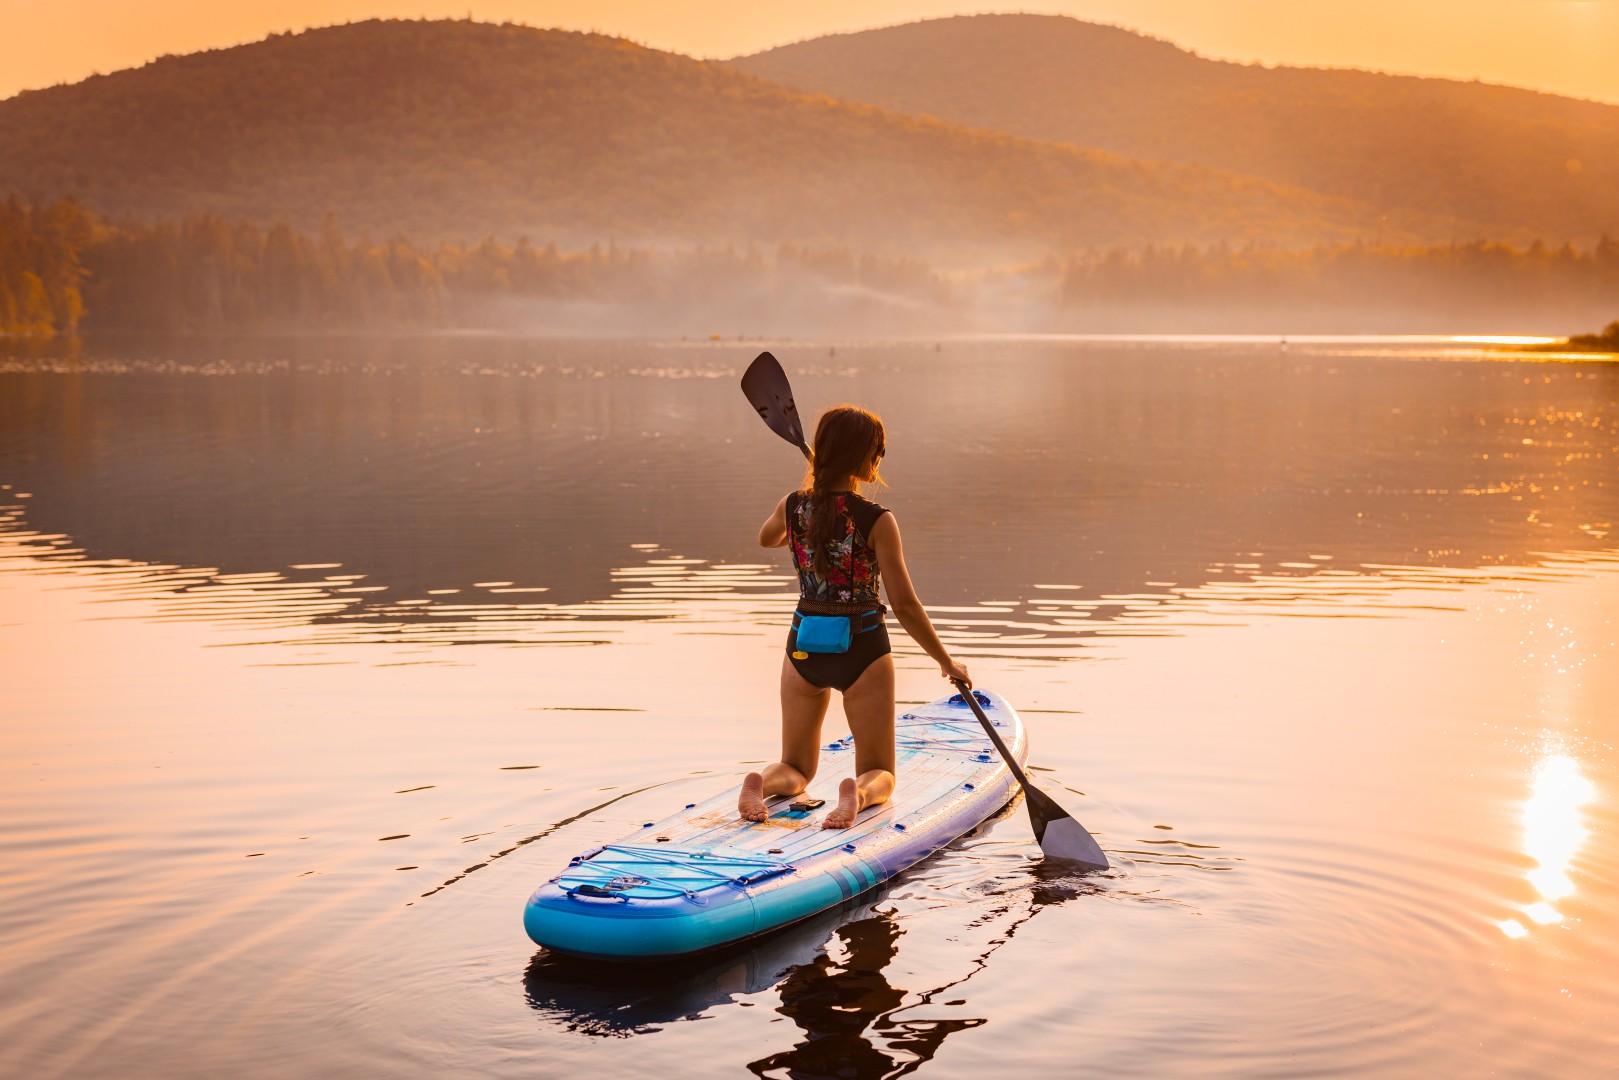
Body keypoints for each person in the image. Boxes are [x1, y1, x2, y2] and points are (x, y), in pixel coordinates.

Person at [740, 405, 971, 829]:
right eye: (878, 452)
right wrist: (944, 660)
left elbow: (766, 539)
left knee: (796, 766)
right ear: (866, 457)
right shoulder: (877, 519)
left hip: (804, 645)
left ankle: (762, 780)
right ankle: (859, 792)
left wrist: (808, 515)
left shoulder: (792, 506)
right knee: (880, 770)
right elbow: (904, 605)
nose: (879, 460)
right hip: (862, 646)